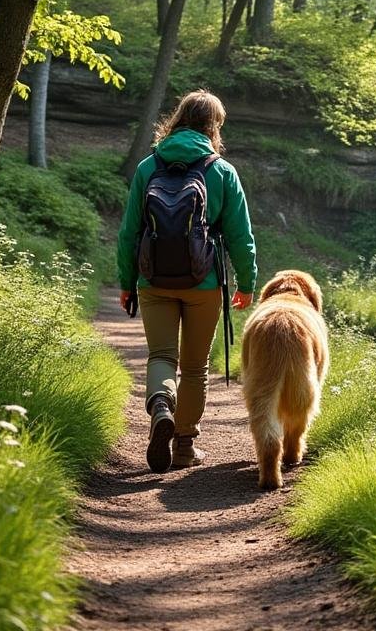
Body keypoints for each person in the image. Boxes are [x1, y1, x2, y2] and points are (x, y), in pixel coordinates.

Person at [117, 90, 258, 472]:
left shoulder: (148, 166)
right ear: (214, 126)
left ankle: (161, 405)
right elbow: (241, 236)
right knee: (195, 368)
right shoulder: (222, 171)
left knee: (162, 356)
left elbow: (129, 232)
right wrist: (247, 284)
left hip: (154, 280)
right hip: (204, 283)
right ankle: (183, 446)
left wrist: (127, 281)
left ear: (178, 118)